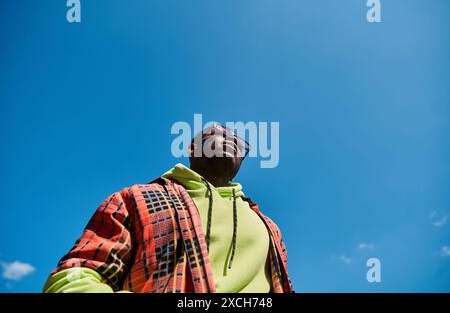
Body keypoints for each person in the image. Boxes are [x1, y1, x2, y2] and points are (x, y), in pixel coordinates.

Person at [43, 124, 294, 293]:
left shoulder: (268, 227)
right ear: (192, 148)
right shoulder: (135, 198)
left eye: (238, 142)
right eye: (216, 133)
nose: (229, 140)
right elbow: (77, 275)